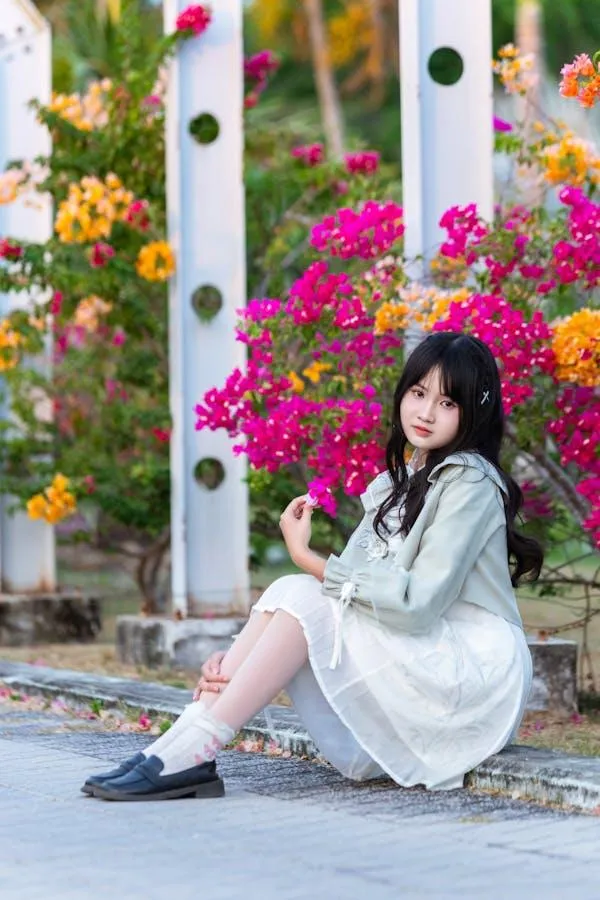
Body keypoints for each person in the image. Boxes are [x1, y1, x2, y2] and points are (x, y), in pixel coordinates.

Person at [83, 331, 542, 801]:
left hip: (470, 676)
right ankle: (181, 749)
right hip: (420, 655)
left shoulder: (471, 482)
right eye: (418, 393)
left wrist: (308, 558)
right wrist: (234, 656)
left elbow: (415, 604)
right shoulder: (399, 483)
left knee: (302, 585)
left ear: (475, 411)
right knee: (297, 590)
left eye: (447, 402)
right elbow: (346, 600)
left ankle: (186, 752)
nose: (425, 413)